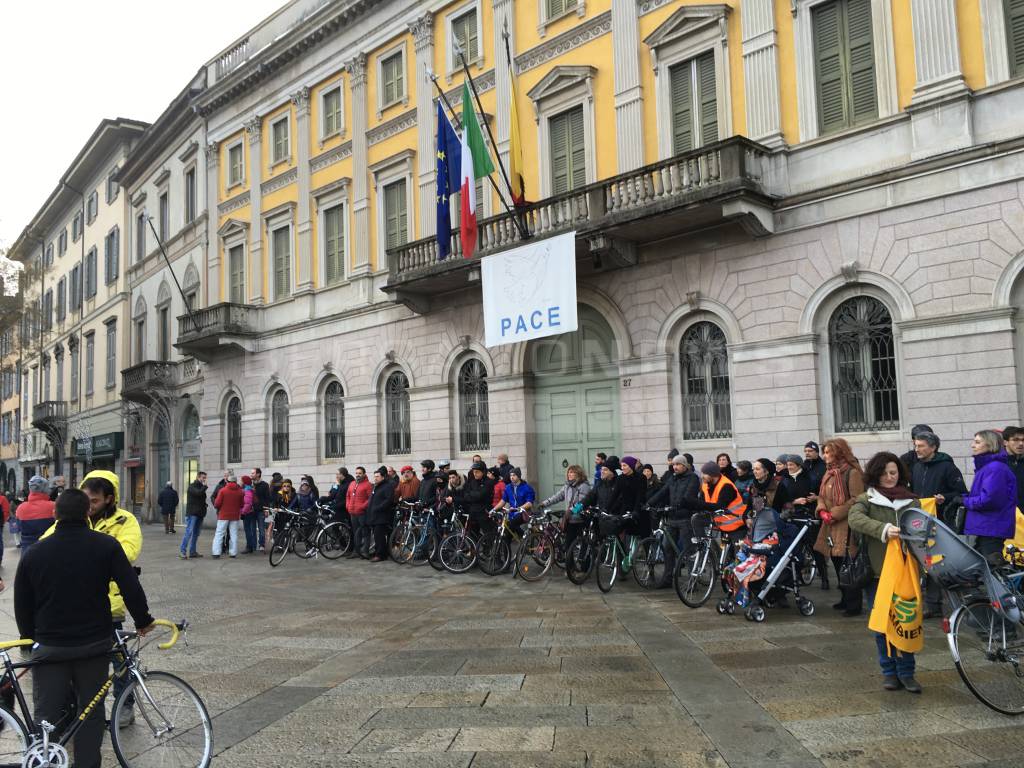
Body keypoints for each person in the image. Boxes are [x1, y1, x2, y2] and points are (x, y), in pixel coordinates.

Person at [15, 488, 155, 768]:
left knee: (47, 714)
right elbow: (130, 586)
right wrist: (143, 620)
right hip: (93, 644)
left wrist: (29, 639)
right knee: (91, 712)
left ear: (55, 514)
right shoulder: (106, 545)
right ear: (87, 513)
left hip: (51, 647)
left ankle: (47, 761)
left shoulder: (36, 552)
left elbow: (22, 602)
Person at [42, 470, 144, 724]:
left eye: (95, 501)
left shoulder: (125, 520)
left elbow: (127, 553)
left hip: (110, 604)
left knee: (119, 659)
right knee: (82, 663)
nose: (89, 506)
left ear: (109, 499)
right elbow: (45, 545)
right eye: (85, 499)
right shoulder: (74, 517)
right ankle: (81, 707)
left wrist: (86, 553)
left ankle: (125, 705)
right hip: (75, 602)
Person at [848, 452, 922, 693]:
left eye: (893, 473)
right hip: (878, 573)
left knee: (906, 621)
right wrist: (883, 529)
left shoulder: (912, 501)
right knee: (882, 625)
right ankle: (889, 672)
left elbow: (923, 531)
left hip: (906, 573)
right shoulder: (867, 499)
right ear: (875, 474)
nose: (890, 477)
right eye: (884, 473)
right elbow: (855, 519)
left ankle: (907, 672)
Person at [908, 430, 968, 617]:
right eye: (915, 445)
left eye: (921, 446)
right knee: (927, 562)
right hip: (921, 524)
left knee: (940, 564)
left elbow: (962, 493)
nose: (916, 449)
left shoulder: (947, 467)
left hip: (942, 522)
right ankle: (933, 605)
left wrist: (945, 498)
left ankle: (951, 602)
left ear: (933, 447)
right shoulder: (916, 467)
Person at [815, 438, 865, 617]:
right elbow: (821, 495)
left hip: (845, 524)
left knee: (848, 564)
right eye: (825, 452)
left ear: (839, 452)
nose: (826, 456)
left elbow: (857, 498)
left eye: (829, 452)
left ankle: (854, 604)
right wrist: (821, 511)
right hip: (830, 525)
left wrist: (835, 513)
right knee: (837, 563)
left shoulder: (852, 472)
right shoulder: (828, 472)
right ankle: (844, 598)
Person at [952, 429, 1017, 559]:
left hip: (991, 528)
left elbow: (989, 500)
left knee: (991, 570)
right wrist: (962, 498)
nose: (972, 445)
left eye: (977, 442)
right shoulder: (989, 467)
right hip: (986, 527)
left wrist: (964, 501)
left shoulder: (995, 468)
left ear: (990, 444)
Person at [778, 454, 828, 590]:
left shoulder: (810, 478)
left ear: (798, 465)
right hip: (792, 515)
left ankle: (824, 577)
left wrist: (815, 498)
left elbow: (820, 494)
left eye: (791, 465)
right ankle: (797, 576)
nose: (789, 467)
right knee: (795, 547)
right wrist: (794, 501)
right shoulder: (784, 480)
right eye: (787, 465)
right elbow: (781, 498)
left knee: (815, 546)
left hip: (808, 513)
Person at [698, 461, 748, 537]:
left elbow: (720, 506)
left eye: (705, 474)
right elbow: (701, 501)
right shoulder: (706, 484)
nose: (702, 476)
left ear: (713, 475)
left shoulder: (726, 485)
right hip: (720, 524)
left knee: (737, 548)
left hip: (736, 526)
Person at [540, 465, 590, 537]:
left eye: (572, 472)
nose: (569, 474)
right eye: (568, 472)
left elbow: (582, 503)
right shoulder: (567, 486)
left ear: (578, 474)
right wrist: (544, 503)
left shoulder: (584, 486)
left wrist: (572, 511)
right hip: (569, 518)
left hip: (579, 519)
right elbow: (558, 496)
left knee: (570, 543)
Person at [17, 475, 55, 550]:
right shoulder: (53, 506)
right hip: (48, 549)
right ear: (45, 489)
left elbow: (19, 528)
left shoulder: (21, 508)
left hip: (27, 550)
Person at [366, 467, 396, 562]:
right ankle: (378, 551)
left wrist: (379, 507)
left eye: (377, 476)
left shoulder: (387, 486)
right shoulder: (376, 486)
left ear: (383, 477)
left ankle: (381, 555)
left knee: (380, 536)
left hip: (382, 516)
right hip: (374, 515)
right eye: (374, 476)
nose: (375, 478)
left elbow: (388, 500)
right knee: (376, 536)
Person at [457, 462, 495, 534]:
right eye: (474, 472)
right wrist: (474, 495)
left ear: (483, 472)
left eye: (477, 472)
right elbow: (465, 495)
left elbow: (480, 495)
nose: (475, 474)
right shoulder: (472, 482)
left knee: (488, 534)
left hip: (484, 511)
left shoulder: (489, 482)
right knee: (471, 534)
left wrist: (472, 495)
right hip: (473, 511)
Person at [212, 472, 243, 558]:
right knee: (234, 534)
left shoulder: (222, 490)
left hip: (223, 515)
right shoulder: (240, 491)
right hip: (235, 516)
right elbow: (242, 505)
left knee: (219, 533)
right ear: (236, 482)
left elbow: (217, 504)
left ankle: (216, 553)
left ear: (228, 481)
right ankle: (233, 553)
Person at [497, 468, 535, 532]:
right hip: (511, 513)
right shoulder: (508, 487)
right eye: (511, 475)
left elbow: (529, 503)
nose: (512, 477)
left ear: (519, 476)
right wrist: (493, 510)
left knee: (510, 525)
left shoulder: (527, 488)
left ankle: (524, 539)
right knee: (507, 531)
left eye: (514, 475)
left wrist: (518, 509)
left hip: (524, 513)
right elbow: (503, 500)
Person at [180, 471, 207, 559]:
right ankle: (182, 551)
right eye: (203, 478)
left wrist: (205, 505)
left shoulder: (201, 487)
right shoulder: (192, 486)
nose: (204, 479)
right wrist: (205, 486)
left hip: (200, 513)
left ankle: (192, 552)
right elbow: (198, 493)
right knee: (189, 532)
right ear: (198, 477)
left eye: (205, 478)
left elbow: (201, 498)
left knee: (196, 533)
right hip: (192, 513)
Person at [346, 467, 372, 558]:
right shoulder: (352, 483)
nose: (357, 475)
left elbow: (370, 499)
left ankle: (365, 552)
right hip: (353, 513)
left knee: (365, 533)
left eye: (360, 473)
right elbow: (348, 496)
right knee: (355, 533)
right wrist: (348, 506)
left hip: (362, 513)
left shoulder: (368, 485)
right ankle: (356, 551)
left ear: (364, 474)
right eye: (356, 473)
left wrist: (362, 507)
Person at [1002, 426, 1024, 512]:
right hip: (1006, 517)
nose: (1021, 443)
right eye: (1015, 440)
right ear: (1005, 442)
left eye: (1023, 440)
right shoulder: (997, 464)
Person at [252, 468, 272, 551]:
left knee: (261, 529)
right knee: (252, 529)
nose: (251, 475)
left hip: (261, 510)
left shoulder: (264, 485)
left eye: (253, 473)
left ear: (258, 474)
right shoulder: (250, 484)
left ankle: (261, 544)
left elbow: (267, 498)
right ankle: (253, 545)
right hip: (251, 510)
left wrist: (267, 510)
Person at [240, 475, 259, 553]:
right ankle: (250, 546)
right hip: (249, 512)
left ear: (244, 482)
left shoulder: (247, 490)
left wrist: (243, 513)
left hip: (248, 513)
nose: (240, 482)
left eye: (241, 481)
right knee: (249, 530)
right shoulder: (247, 489)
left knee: (248, 530)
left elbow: (248, 503)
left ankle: (249, 547)